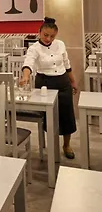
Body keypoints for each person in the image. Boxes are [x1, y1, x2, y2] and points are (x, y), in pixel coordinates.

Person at [20, 17, 78, 159]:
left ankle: (66, 145)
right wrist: (25, 76)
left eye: (52, 36)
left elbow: (67, 64)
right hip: (44, 84)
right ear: (39, 32)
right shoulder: (34, 48)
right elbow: (28, 63)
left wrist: (73, 81)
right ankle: (50, 145)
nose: (48, 39)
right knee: (48, 117)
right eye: (45, 35)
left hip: (63, 82)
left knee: (67, 115)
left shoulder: (60, 44)